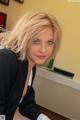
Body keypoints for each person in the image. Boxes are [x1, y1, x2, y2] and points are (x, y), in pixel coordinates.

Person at [0, 11, 61, 120]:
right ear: (24, 38)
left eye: (50, 42)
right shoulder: (6, 60)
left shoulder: (30, 64)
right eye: (36, 41)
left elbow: (25, 100)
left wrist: (40, 117)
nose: (43, 50)